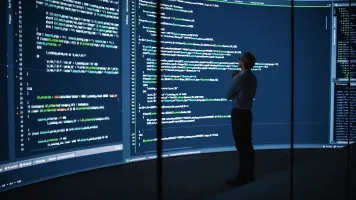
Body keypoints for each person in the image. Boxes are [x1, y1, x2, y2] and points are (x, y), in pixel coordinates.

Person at [226, 52, 257, 185]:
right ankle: (249, 175)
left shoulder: (239, 78)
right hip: (247, 114)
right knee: (248, 145)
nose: (238, 61)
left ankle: (241, 177)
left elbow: (228, 96)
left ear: (243, 62)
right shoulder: (254, 78)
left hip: (238, 114)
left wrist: (235, 79)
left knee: (241, 146)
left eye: (240, 60)